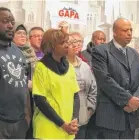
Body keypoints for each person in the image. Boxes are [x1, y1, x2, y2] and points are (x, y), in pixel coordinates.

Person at [92, 18, 139, 139]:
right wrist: (128, 99)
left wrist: (135, 101)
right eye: (125, 30)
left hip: (130, 117)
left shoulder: (134, 54)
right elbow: (104, 80)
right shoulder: (101, 51)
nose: (129, 33)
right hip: (110, 116)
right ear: (115, 32)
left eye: (131, 30)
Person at [32, 29, 80, 139]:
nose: (67, 45)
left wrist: (74, 119)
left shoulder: (70, 67)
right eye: (63, 43)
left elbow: (75, 96)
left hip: (68, 130)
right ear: (51, 46)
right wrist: (62, 124)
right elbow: (40, 100)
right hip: (47, 130)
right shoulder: (41, 67)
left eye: (67, 42)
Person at [0, 7, 30, 139]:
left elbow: (23, 82)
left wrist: (26, 116)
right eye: (5, 21)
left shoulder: (18, 51)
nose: (10, 25)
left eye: (12, 22)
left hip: (19, 121)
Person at [67, 35, 97, 139]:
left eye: (77, 42)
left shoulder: (85, 66)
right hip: (64, 121)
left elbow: (93, 90)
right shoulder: (60, 66)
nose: (75, 45)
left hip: (82, 119)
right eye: (71, 43)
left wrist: (89, 109)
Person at [13, 23, 38, 139]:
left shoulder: (31, 52)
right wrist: (24, 84)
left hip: (32, 98)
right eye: (19, 33)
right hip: (16, 99)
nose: (23, 36)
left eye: (24, 33)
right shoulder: (9, 53)